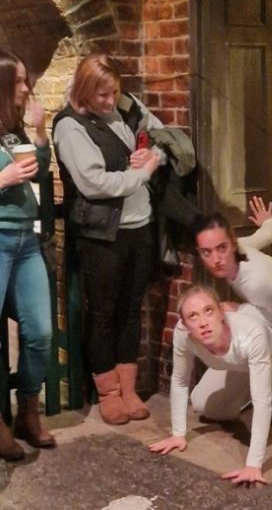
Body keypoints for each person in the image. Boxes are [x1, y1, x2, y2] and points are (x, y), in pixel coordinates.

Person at [53, 55, 163, 426]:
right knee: (102, 312)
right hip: (102, 234)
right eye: (102, 94)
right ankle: (109, 393)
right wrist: (142, 175)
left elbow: (162, 135)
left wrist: (152, 154)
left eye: (114, 92)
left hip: (140, 225)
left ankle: (128, 388)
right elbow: (94, 184)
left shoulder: (124, 109)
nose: (110, 100)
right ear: (85, 89)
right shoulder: (71, 126)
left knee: (131, 309)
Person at [147, 285, 272, 487]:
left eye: (208, 311)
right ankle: (267, 381)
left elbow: (262, 400)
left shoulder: (249, 332)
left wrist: (253, 465)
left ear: (221, 312)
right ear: (184, 324)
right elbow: (180, 381)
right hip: (243, 363)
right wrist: (178, 434)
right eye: (193, 316)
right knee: (205, 405)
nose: (203, 322)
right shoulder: (183, 334)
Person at [192, 206, 272, 408]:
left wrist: (241, 311)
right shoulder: (240, 248)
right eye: (206, 252)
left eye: (221, 248)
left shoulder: (258, 282)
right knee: (204, 403)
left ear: (232, 243)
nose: (216, 260)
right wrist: (268, 221)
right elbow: (265, 235)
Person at [0, 56, 52, 460]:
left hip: (26, 241)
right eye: (18, 81)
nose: (25, 88)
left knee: (41, 332)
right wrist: (3, 179)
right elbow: (12, 177)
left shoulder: (11, 128)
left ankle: (29, 411)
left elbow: (38, 170)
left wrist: (39, 134)